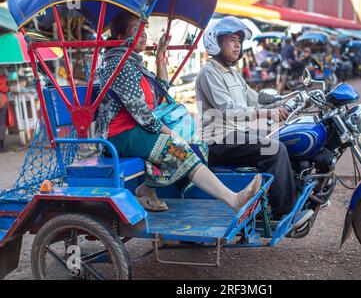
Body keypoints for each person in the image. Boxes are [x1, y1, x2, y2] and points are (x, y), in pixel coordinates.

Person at [95, 12, 262, 213]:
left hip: (136, 130)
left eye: (144, 30)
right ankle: (234, 200)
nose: (144, 35)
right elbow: (143, 116)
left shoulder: (131, 62)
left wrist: (160, 57)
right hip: (120, 134)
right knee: (180, 148)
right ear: (121, 38)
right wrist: (172, 134)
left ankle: (147, 190)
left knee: (196, 144)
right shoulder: (119, 65)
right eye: (136, 31)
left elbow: (161, 93)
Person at [196, 16, 298, 221]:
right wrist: (268, 113)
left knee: (285, 139)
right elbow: (229, 109)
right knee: (275, 149)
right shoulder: (209, 72)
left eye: (239, 41)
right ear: (216, 42)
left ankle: (266, 199)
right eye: (232, 39)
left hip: (236, 135)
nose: (237, 45)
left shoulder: (232, 74)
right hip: (218, 139)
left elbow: (255, 99)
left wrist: (286, 100)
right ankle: (282, 212)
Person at [0, 69, 10, 153]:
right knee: (2, 124)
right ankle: (1, 146)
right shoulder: (2, 77)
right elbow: (4, 89)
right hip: (1, 101)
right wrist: (9, 88)